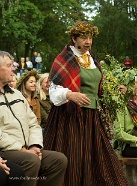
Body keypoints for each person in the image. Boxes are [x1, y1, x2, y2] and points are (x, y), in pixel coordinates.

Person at [43, 21, 128, 186]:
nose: (88, 41)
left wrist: (115, 90)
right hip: (70, 118)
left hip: (92, 118)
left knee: (99, 160)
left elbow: (98, 87)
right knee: (74, 159)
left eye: (90, 37)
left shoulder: (92, 58)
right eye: (83, 37)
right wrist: (70, 94)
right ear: (74, 39)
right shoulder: (64, 58)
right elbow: (53, 91)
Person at [0, 51, 67, 186]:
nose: (14, 68)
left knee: (59, 159)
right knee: (31, 160)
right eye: (9, 65)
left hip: (27, 147)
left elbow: (33, 123)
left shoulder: (17, 94)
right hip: (6, 150)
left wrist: (35, 145)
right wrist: (22, 150)